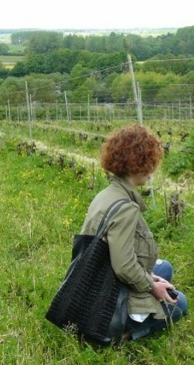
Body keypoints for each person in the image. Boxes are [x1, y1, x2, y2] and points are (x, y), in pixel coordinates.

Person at [79, 124, 188, 341]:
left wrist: (150, 276)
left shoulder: (107, 193)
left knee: (164, 268)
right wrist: (151, 286)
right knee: (180, 304)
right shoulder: (126, 209)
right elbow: (124, 266)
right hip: (106, 293)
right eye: (149, 163)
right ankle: (122, 335)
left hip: (91, 277)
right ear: (138, 165)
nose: (152, 170)